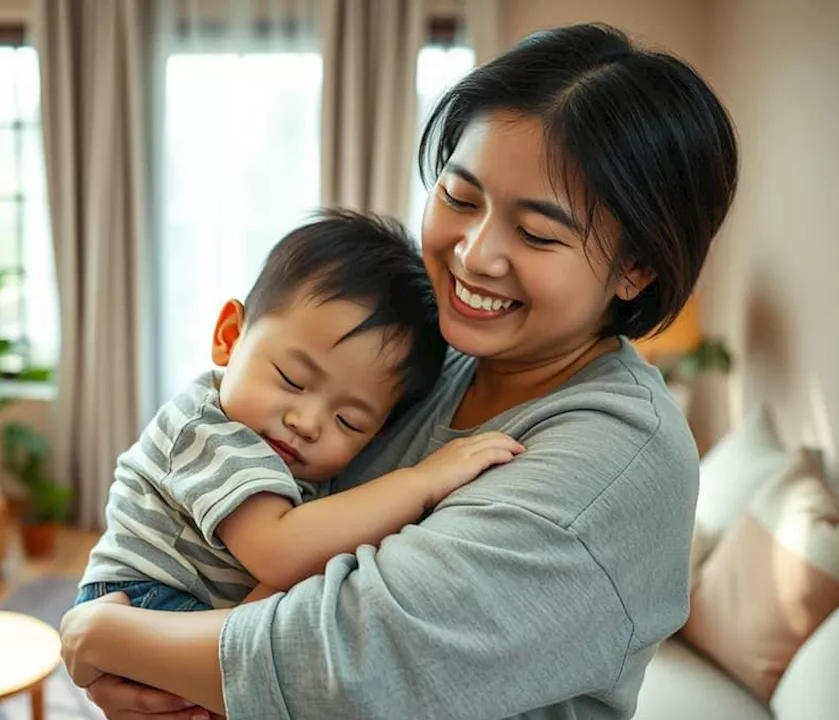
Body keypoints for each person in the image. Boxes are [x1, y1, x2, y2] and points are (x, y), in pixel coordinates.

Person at [59, 22, 739, 720]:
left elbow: (347, 666)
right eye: (460, 196)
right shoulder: (438, 361)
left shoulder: (614, 460)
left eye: (536, 233)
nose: (474, 255)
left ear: (637, 269)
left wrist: (110, 635)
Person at [75, 210, 524, 613]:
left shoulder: (280, 444)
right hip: (147, 598)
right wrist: (422, 482)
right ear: (230, 336)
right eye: (291, 379)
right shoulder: (209, 430)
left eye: (348, 421)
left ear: (380, 432)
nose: (307, 423)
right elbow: (279, 552)